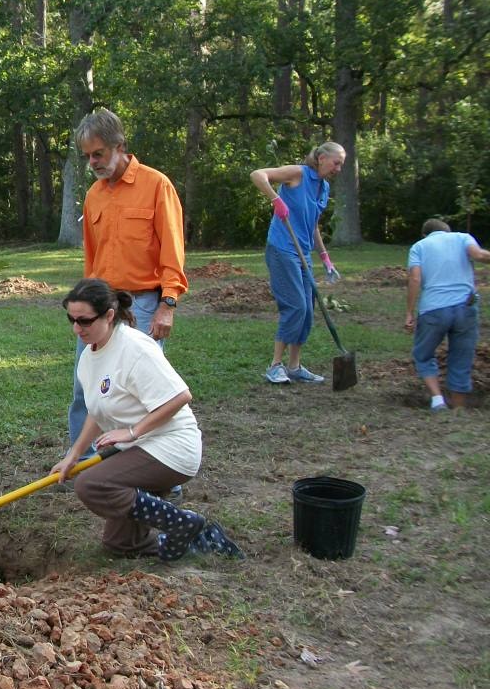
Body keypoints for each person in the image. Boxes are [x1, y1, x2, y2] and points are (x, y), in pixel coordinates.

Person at [53, 279, 241, 561]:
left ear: (109, 315)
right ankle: (199, 541)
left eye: (84, 321)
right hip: (140, 449)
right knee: (120, 544)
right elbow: (97, 409)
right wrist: (74, 454)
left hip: (171, 448)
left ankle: (182, 522)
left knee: (91, 484)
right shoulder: (90, 355)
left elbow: (180, 396)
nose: (76, 328)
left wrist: (132, 431)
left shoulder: (134, 347)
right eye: (72, 319)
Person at [68, 109, 188, 453]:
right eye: (88, 156)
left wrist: (168, 304)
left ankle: (152, 462)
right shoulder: (94, 195)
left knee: (140, 389)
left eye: (98, 153)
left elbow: (172, 250)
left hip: (145, 304)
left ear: (119, 146)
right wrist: (85, 306)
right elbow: (92, 259)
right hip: (100, 304)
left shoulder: (156, 185)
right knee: (86, 385)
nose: (92, 162)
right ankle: (85, 460)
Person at [250, 141, 347, 384]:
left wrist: (325, 257)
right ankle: (274, 366)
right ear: (322, 158)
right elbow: (258, 175)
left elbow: (313, 225)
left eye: (341, 165)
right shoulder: (298, 173)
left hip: (303, 253)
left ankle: (294, 366)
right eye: (337, 163)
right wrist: (275, 199)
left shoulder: (323, 187)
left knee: (307, 311)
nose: (338, 169)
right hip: (282, 249)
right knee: (296, 307)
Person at [405, 218, 490, 411]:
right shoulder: (462, 238)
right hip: (465, 308)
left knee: (423, 354)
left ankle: (437, 400)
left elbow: (415, 278)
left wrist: (409, 313)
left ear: (425, 234)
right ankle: (458, 408)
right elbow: (478, 255)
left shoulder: (419, 246)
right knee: (461, 357)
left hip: (433, 310)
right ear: (448, 231)